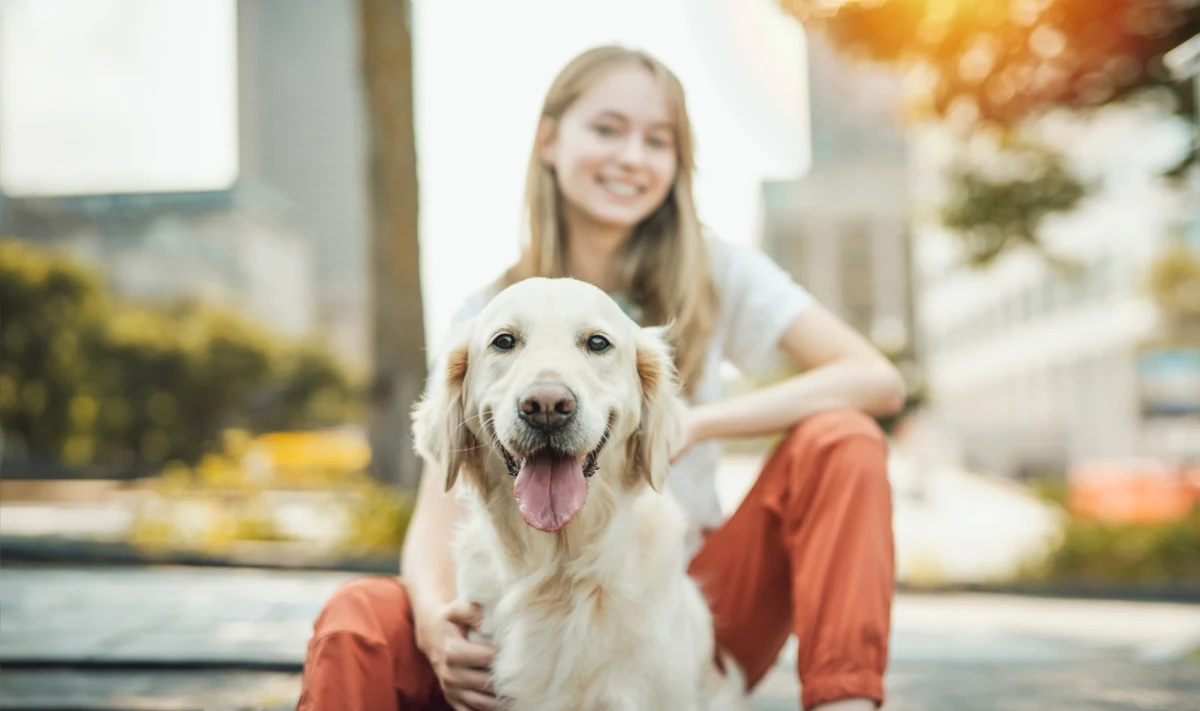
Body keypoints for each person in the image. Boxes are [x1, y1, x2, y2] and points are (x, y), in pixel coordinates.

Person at [297, 45, 904, 711]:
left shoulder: (719, 270)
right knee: (357, 617)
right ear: (550, 141)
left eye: (657, 140)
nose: (631, 157)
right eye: (608, 129)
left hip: (689, 601)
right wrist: (434, 624)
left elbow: (875, 378)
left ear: (677, 163)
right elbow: (434, 511)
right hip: (509, 605)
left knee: (843, 439)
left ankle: (845, 702)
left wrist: (691, 423)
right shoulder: (485, 309)